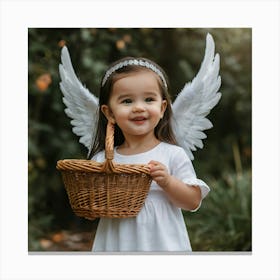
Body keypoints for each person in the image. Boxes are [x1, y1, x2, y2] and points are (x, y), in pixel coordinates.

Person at [89, 57, 210, 252]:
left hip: (163, 245)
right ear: (110, 113)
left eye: (149, 99)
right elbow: (92, 206)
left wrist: (168, 182)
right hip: (117, 244)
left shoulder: (172, 154)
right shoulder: (103, 159)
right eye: (127, 101)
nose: (139, 107)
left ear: (162, 108)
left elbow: (192, 201)